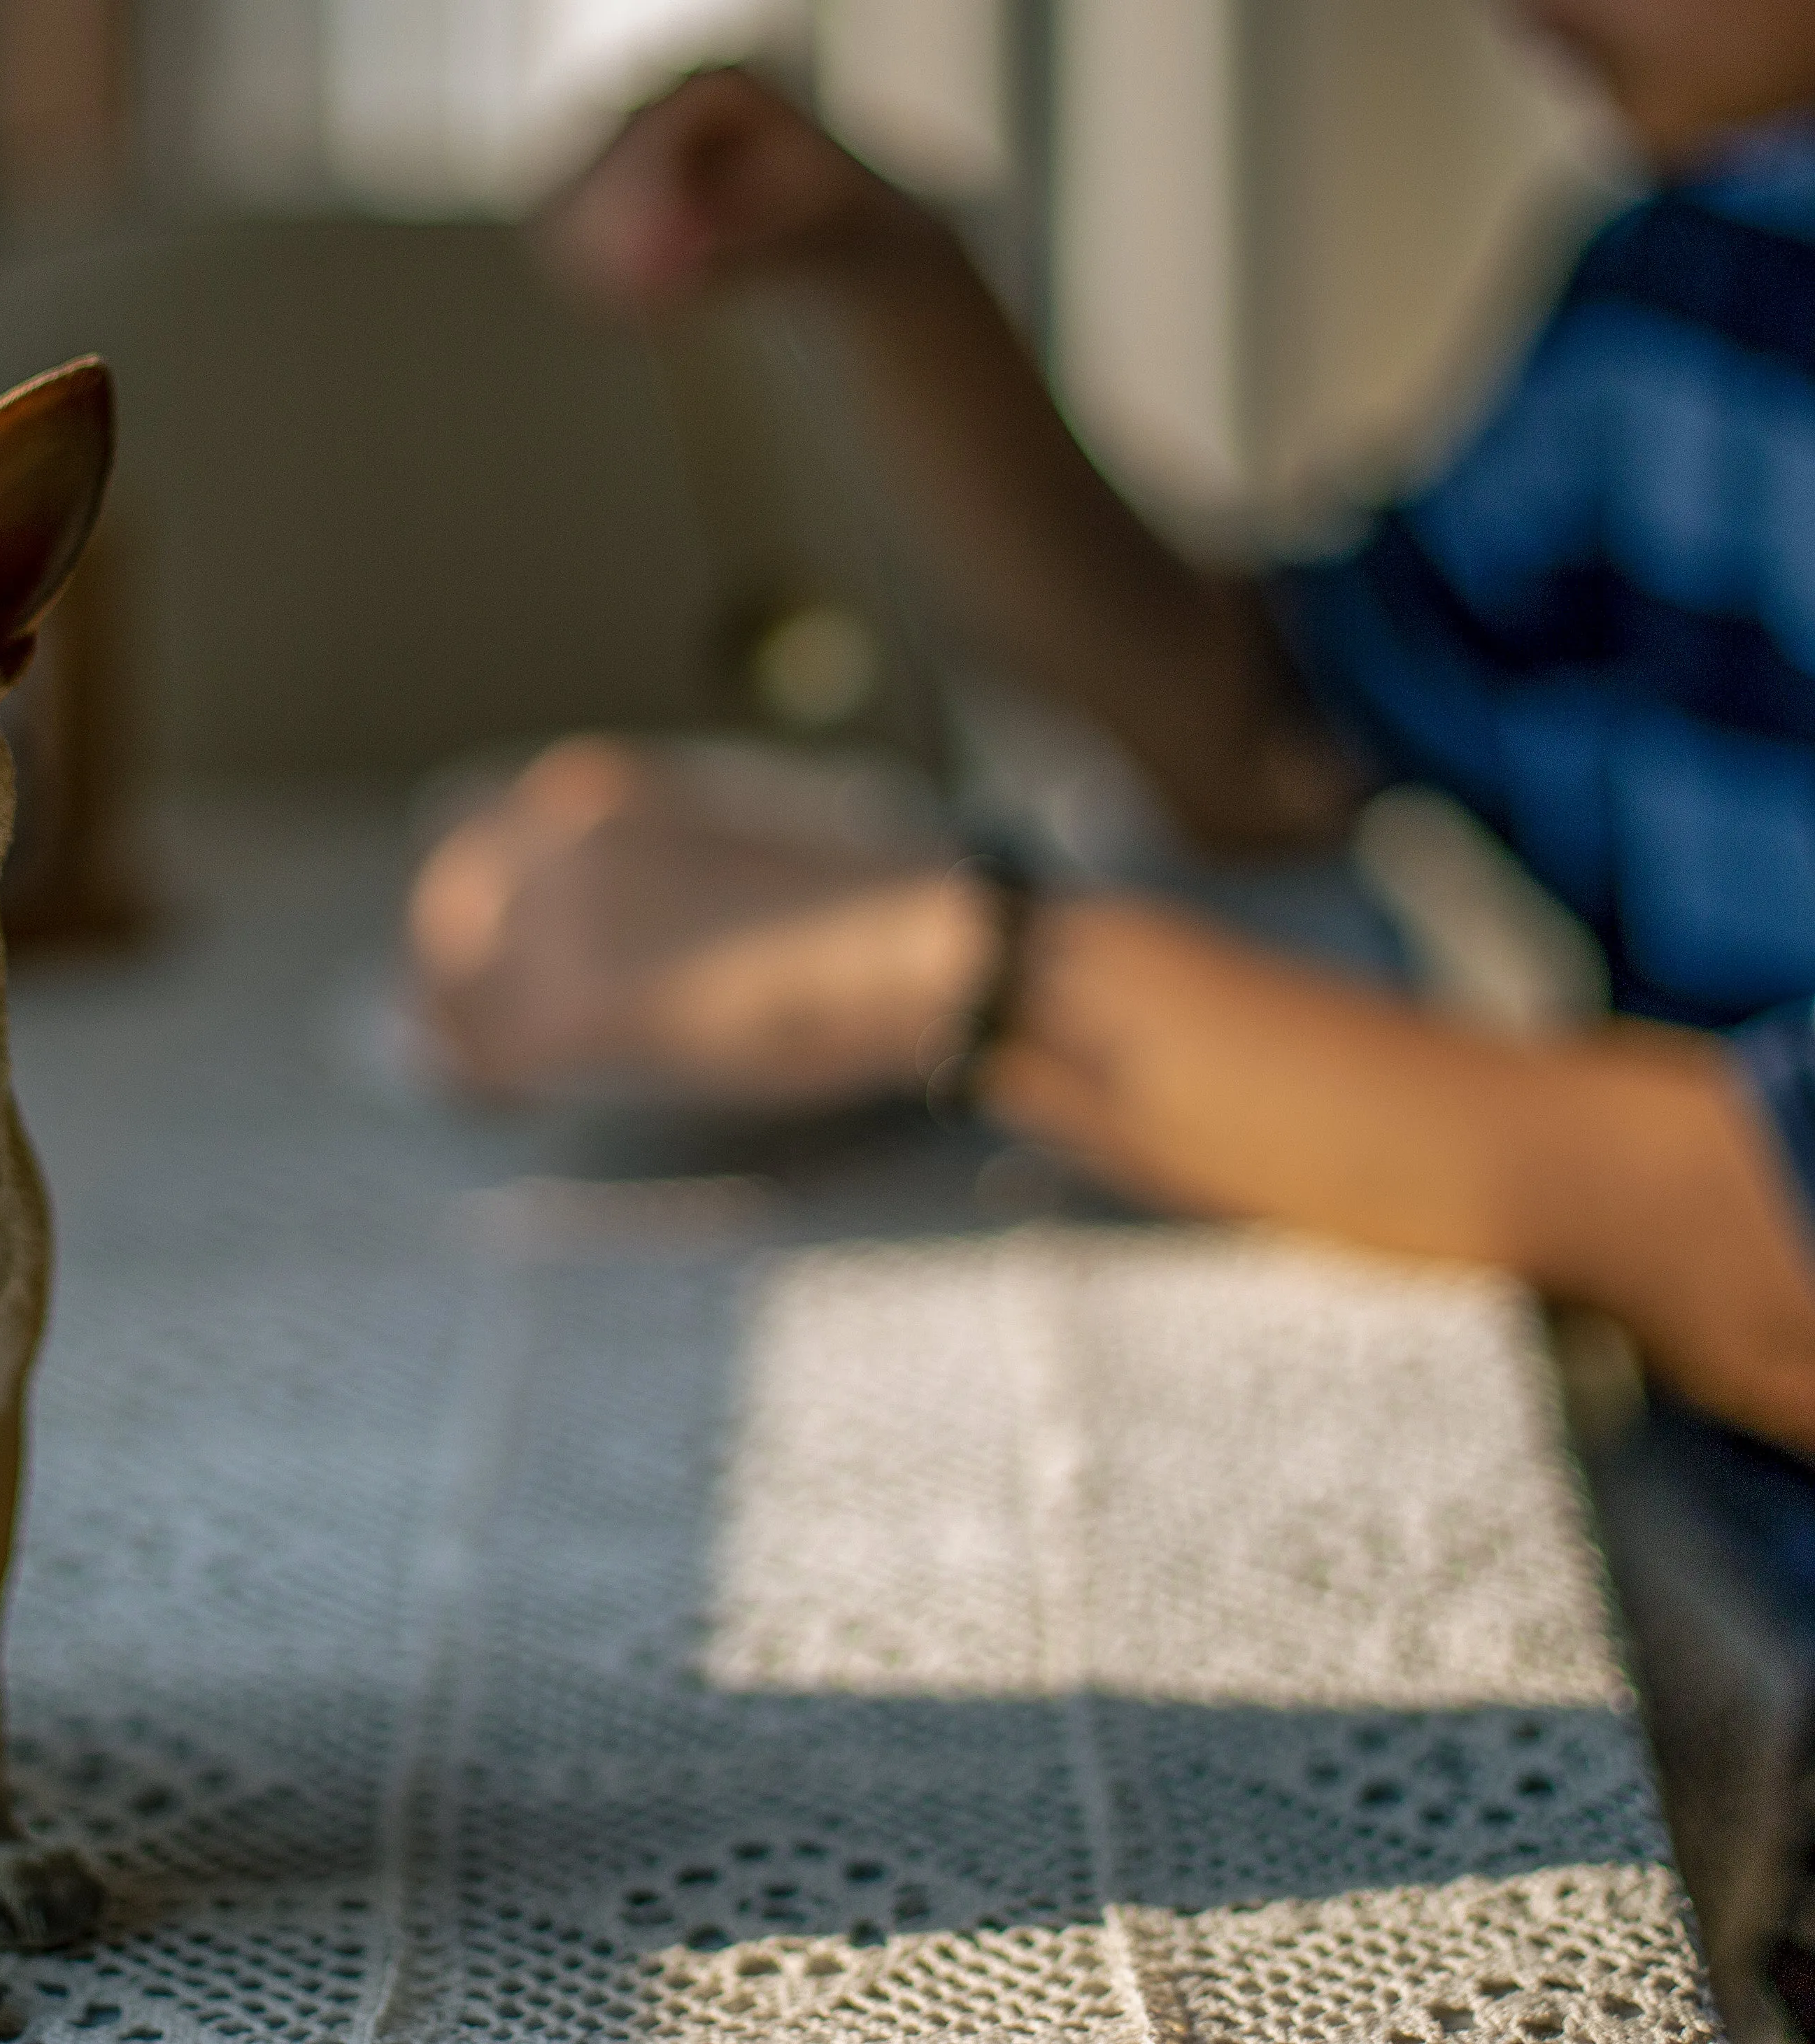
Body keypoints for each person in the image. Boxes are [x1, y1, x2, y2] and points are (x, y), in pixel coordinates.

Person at [409, 0, 1815, 1468]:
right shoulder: (1704, 272)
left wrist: (939, 964)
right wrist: (890, 276)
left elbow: (1768, 1259)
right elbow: (1261, 744)